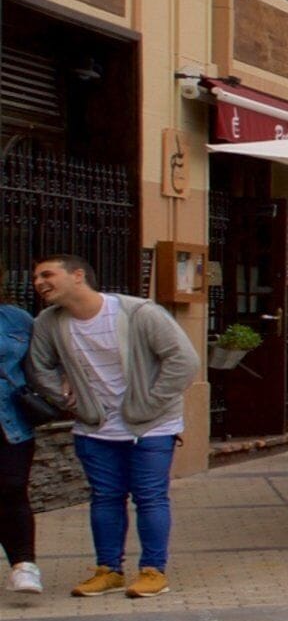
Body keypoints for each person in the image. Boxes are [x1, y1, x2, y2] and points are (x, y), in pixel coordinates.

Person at [27, 255, 197, 600]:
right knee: (105, 498)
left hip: (151, 425)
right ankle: (108, 570)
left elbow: (184, 361)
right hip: (94, 427)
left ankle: (153, 571)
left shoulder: (138, 313)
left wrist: (150, 402)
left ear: (78, 276)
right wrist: (66, 400)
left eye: (47, 274)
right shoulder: (49, 322)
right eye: (35, 277)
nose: (39, 282)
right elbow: (38, 366)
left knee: (149, 497)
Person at [0, 299, 40, 600]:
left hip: (9, 421)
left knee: (13, 488)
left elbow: (40, 364)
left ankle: (24, 565)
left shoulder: (17, 319)